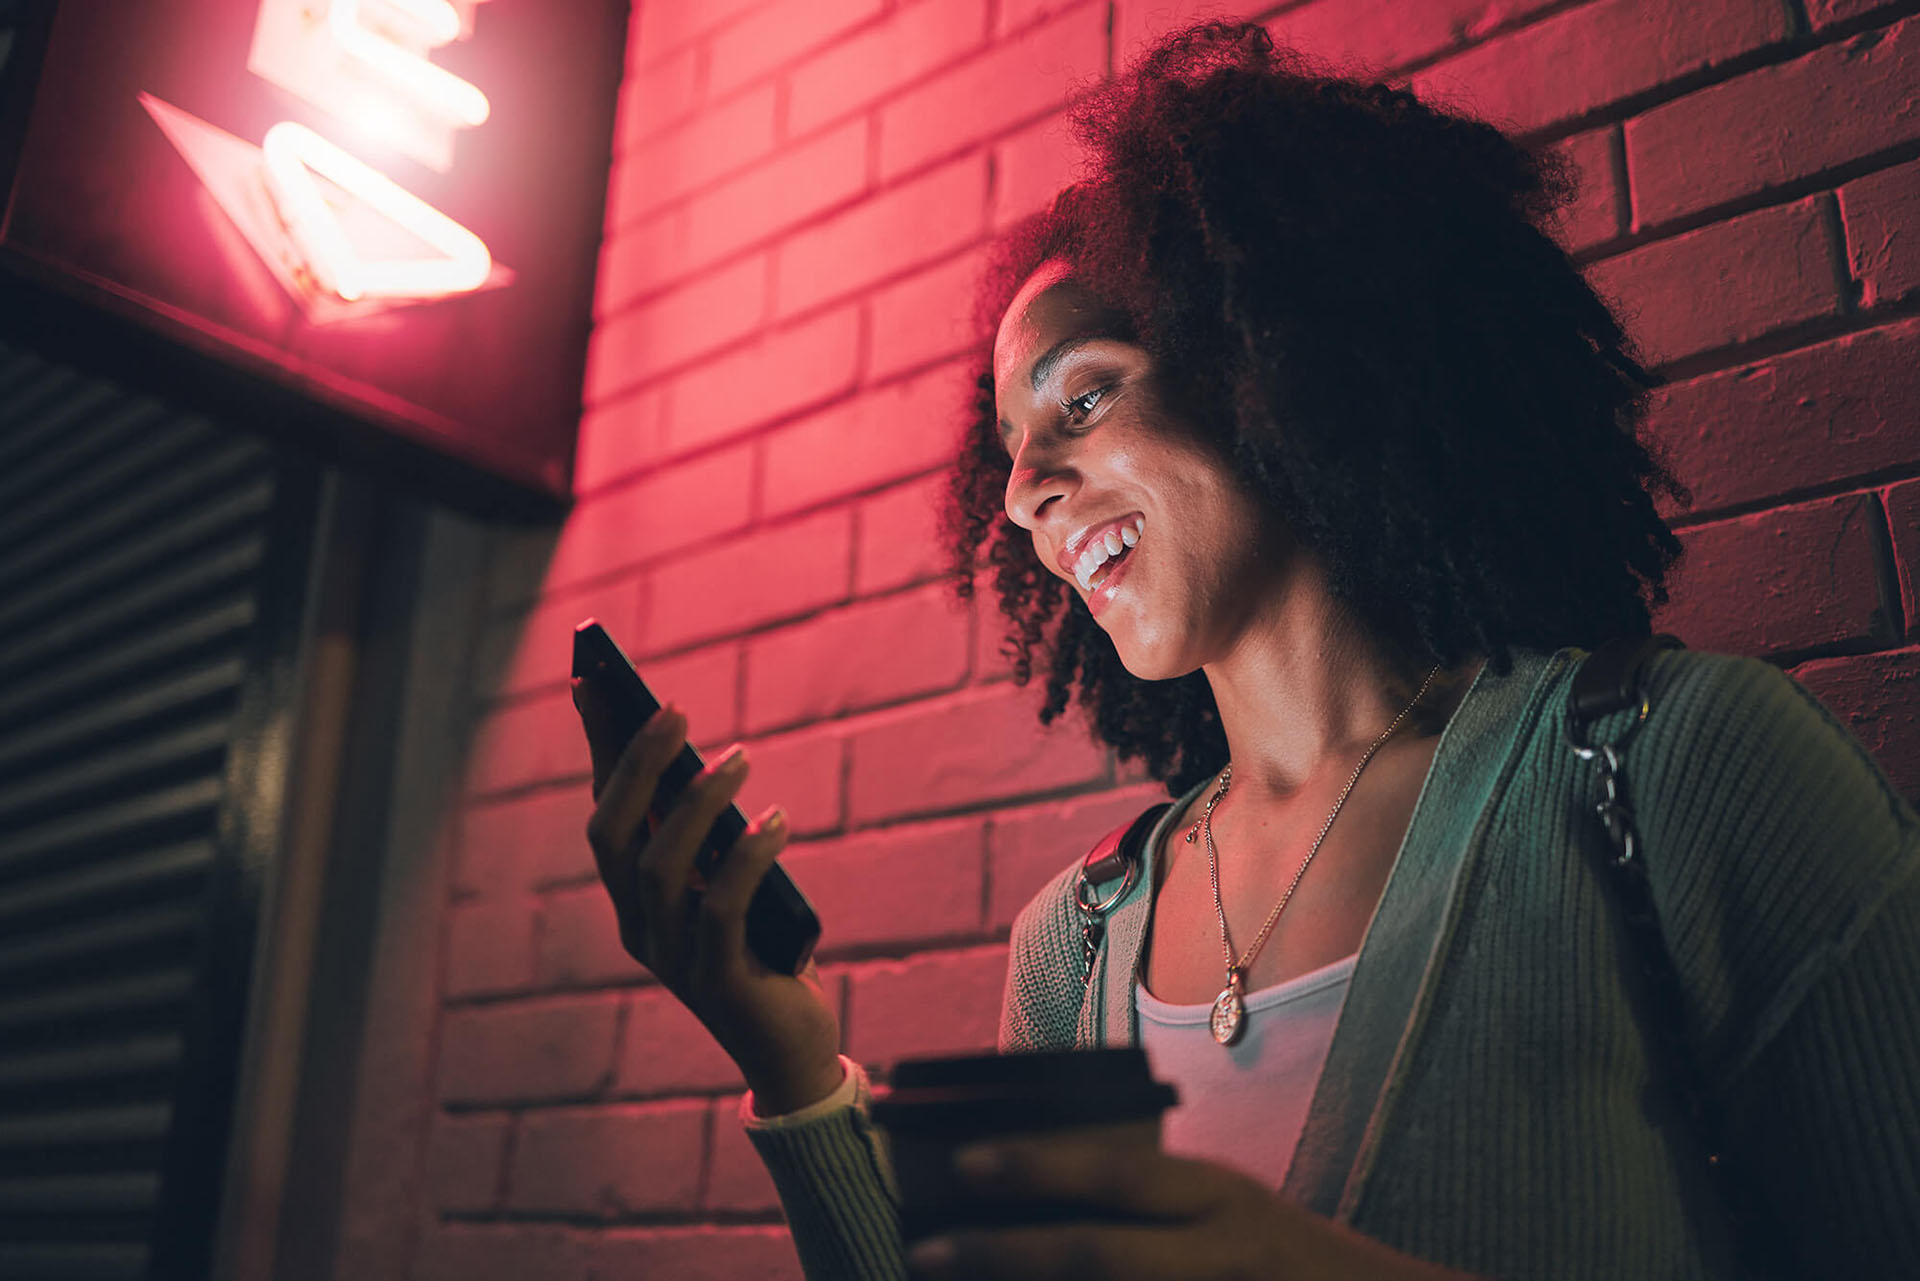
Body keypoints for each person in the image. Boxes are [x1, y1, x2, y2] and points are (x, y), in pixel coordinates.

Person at [572, 21, 1920, 1280]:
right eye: (1007, 456)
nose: (1024, 492)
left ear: (1284, 359)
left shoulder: (1679, 773)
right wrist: (792, 1059)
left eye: (1081, 397)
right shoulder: (1075, 946)